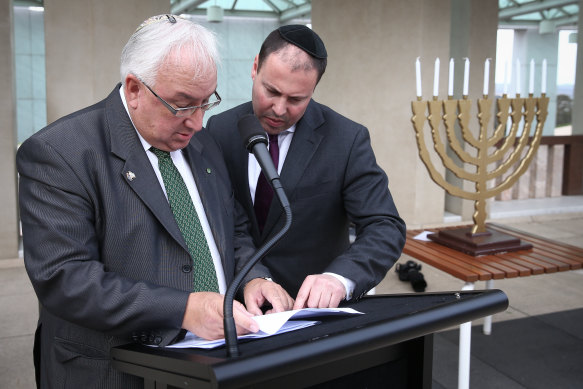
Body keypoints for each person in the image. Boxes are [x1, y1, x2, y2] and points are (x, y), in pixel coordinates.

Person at [17, 15, 293, 388]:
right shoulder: (61, 152)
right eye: (181, 105)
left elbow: (233, 229)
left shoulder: (201, 142)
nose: (196, 121)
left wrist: (254, 276)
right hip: (112, 371)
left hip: (211, 363)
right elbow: (65, 279)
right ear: (133, 88)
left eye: (205, 102)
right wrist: (183, 309)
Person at [207, 25, 407, 312]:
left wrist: (340, 279)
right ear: (255, 67)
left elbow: (384, 226)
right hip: (239, 305)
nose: (278, 108)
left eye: (296, 99)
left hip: (311, 312)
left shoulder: (347, 140)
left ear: (314, 90)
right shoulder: (220, 128)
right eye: (271, 91)